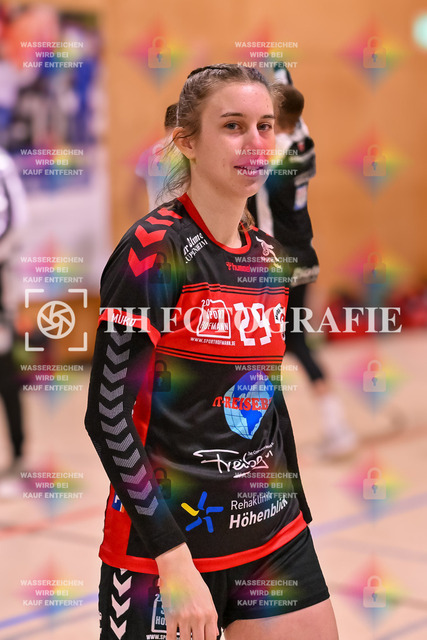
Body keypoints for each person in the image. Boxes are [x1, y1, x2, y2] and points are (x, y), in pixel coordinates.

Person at [85, 64, 339, 640]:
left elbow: (265, 398)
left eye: (264, 126)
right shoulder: (152, 252)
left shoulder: (269, 259)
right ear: (188, 142)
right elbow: (107, 416)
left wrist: (296, 508)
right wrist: (173, 559)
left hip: (272, 538)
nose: (255, 142)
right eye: (232, 125)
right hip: (164, 549)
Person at [248, 78, 357, 460]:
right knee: (293, 343)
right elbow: (287, 93)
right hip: (304, 259)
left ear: (275, 120)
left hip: (274, 263)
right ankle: (336, 425)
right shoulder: (304, 142)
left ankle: (258, 443)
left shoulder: (268, 158)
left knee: (259, 350)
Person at [0, 146, 27, 478]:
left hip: (1, 281)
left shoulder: (2, 165)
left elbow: (17, 221)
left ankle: (18, 451)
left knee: (4, 366)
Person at [128, 103, 179, 219]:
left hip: (157, 221)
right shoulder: (189, 151)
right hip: (183, 222)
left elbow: (133, 193)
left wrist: (139, 219)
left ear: (166, 126)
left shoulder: (150, 151)